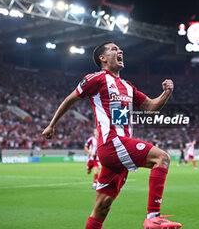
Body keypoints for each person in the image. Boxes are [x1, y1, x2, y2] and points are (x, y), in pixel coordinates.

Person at [42, 42, 181, 229]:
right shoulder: (96, 79)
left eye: (120, 49)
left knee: (102, 207)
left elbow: (150, 106)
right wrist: (51, 125)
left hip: (118, 149)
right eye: (114, 49)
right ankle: (153, 216)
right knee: (162, 158)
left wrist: (166, 93)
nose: (120, 51)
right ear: (103, 58)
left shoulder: (127, 86)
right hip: (112, 143)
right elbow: (70, 99)